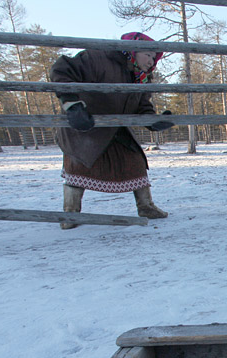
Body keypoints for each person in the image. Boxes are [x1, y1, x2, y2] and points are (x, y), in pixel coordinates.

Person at [50, 32, 173, 229]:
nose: (151, 61)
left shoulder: (140, 78)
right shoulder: (98, 57)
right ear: (133, 49)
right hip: (85, 124)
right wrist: (72, 104)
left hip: (115, 127)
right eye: (148, 55)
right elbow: (63, 69)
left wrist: (154, 121)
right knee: (79, 164)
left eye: (154, 58)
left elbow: (142, 106)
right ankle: (70, 214)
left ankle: (146, 206)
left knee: (136, 162)